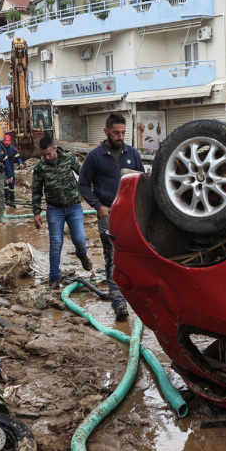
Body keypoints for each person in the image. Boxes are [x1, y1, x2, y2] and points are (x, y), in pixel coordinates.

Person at [78, 112, 144, 321]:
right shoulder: (94, 156)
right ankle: (119, 301)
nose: (120, 137)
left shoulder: (132, 153)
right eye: (116, 133)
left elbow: (142, 181)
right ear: (106, 131)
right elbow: (83, 185)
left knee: (134, 256)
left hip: (130, 215)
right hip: (108, 214)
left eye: (123, 133)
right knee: (112, 257)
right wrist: (98, 206)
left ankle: (135, 297)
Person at [32, 136, 93, 290]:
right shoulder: (40, 167)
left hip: (74, 207)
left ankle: (82, 254)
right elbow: (36, 190)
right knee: (56, 243)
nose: (47, 157)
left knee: (79, 239)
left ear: (55, 149)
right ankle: (53, 279)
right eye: (44, 155)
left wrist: (91, 194)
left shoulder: (69, 159)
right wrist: (36, 213)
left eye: (49, 154)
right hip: (54, 209)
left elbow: (84, 175)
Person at [1, 134, 25, 208]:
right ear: (3, 141)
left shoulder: (13, 149)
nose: (7, 144)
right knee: (5, 182)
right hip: (3, 167)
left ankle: (12, 199)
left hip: (10, 168)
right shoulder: (0, 149)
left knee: (11, 183)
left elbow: (18, 157)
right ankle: (6, 198)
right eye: (5, 143)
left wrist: (20, 163)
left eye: (8, 143)